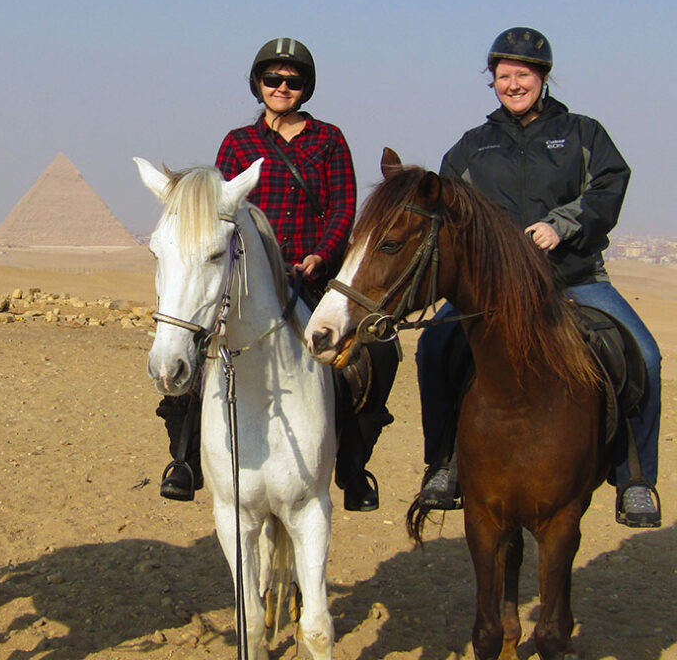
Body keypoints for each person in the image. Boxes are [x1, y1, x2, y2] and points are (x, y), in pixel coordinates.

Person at [415, 27, 662, 528]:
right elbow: (448, 209)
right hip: (492, 291)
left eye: (523, 74)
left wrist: (561, 225)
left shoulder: (582, 132)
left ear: (543, 77)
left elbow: (610, 183)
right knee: (433, 348)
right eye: (503, 75)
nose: (512, 84)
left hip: (573, 278)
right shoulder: (472, 147)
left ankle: (635, 479)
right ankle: (443, 464)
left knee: (646, 357)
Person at [157, 37, 399, 511]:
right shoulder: (237, 143)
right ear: (258, 84)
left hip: (308, 278)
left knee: (379, 356)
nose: (281, 87)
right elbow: (218, 213)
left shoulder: (328, 139)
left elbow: (342, 207)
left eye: (292, 81)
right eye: (273, 79)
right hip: (248, 283)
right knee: (189, 353)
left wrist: (321, 255)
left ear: (305, 88)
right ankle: (185, 461)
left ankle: (352, 465)